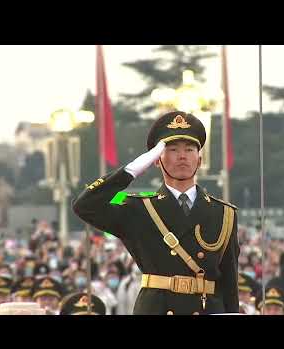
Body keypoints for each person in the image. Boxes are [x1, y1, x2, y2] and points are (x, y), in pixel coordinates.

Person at [73, 111, 240, 315]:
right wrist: (131, 170)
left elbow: (230, 282)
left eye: (189, 149)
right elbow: (85, 206)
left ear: (199, 160)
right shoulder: (138, 209)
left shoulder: (223, 213)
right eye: (172, 149)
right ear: (156, 160)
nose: (182, 156)